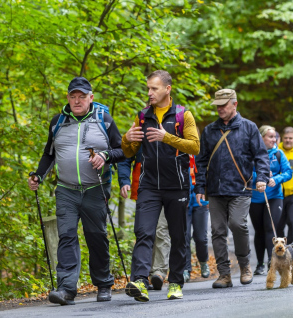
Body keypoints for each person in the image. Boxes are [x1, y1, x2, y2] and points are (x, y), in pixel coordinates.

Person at [27, 77, 125, 305]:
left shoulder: (104, 120)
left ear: (91, 98)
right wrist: (38, 176)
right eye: (73, 96)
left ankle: (103, 283)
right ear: (68, 98)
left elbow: (122, 150)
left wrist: (105, 156)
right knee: (67, 237)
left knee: (96, 236)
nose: (77, 100)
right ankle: (67, 289)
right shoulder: (58, 122)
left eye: (82, 96)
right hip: (66, 190)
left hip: (95, 189)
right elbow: (48, 155)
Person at [121, 70, 200, 301]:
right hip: (149, 186)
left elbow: (195, 146)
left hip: (177, 185)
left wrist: (166, 137)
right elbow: (129, 152)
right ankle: (140, 281)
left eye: (154, 88)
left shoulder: (183, 115)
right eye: (148, 88)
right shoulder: (143, 116)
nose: (149, 93)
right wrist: (127, 138)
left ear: (167, 89)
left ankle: (175, 282)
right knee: (144, 232)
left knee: (178, 235)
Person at [194, 89, 270, 289]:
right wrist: (200, 186)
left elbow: (261, 156)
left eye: (223, 105)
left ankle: (245, 266)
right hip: (216, 189)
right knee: (217, 231)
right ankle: (224, 274)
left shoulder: (249, 127)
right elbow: (200, 161)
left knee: (238, 224)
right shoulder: (210, 130)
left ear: (234, 104)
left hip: (241, 188)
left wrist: (262, 178)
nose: (219, 108)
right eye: (217, 105)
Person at [117, 151, 170, 290]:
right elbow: (125, 157)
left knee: (161, 229)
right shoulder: (138, 130)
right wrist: (124, 181)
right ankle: (141, 276)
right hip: (144, 188)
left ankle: (158, 273)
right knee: (144, 231)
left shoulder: (172, 129)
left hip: (169, 186)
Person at [250, 125, 292, 275]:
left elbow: (288, 173)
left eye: (275, 137)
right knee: (259, 230)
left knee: (269, 228)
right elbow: (245, 174)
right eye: (270, 137)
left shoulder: (279, 154)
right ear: (261, 138)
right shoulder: (251, 153)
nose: (274, 140)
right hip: (255, 198)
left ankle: (271, 262)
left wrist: (276, 178)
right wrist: (260, 178)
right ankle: (259, 264)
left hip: (274, 197)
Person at [184, 158, 210, 282]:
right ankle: (185, 268)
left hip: (201, 201)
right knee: (184, 236)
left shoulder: (202, 152)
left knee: (201, 237)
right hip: (184, 201)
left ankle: (203, 262)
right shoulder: (179, 150)